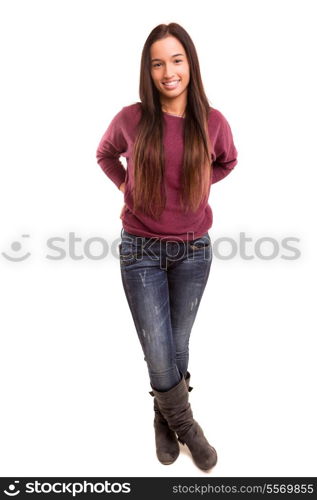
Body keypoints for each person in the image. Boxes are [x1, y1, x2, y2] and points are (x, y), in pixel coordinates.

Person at [96, 22, 238, 472]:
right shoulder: (131, 118)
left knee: (176, 346)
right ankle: (188, 428)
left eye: (176, 60)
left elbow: (228, 161)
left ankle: (163, 418)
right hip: (140, 250)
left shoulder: (212, 122)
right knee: (158, 347)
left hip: (194, 251)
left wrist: (197, 186)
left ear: (191, 64)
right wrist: (128, 187)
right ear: (148, 69)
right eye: (157, 63)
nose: (168, 71)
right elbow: (104, 154)